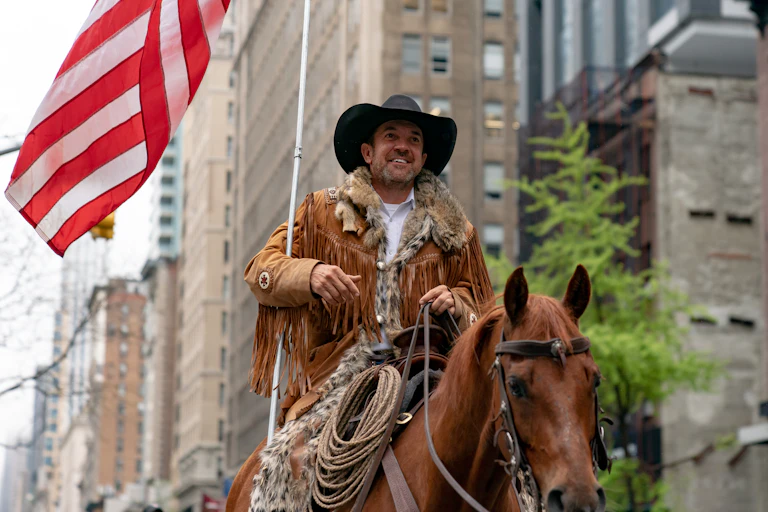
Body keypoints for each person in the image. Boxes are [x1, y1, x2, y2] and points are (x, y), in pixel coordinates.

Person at [227, 94, 494, 512]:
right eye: (391, 136)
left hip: (429, 370)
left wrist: (456, 302)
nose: (402, 145)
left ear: (423, 157)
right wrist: (311, 274)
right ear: (368, 152)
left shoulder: (457, 231)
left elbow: (485, 309)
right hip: (340, 378)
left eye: (413, 139)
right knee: (290, 461)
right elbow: (261, 270)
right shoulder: (322, 212)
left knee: (501, 452)